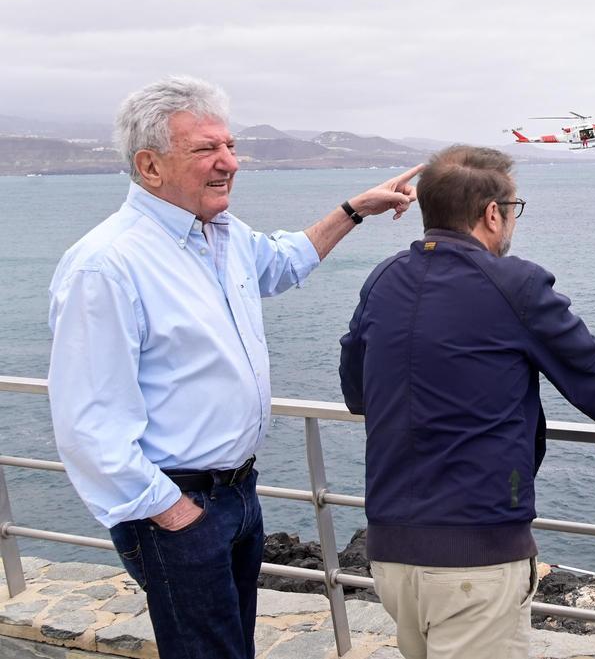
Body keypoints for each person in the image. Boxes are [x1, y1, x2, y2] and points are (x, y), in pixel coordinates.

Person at [46, 76, 421, 659]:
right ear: (150, 166)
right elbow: (88, 425)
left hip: (239, 494)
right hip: (176, 506)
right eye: (206, 150)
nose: (229, 163)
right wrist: (175, 515)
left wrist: (354, 210)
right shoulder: (107, 266)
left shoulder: (220, 234)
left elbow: (283, 262)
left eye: (229, 146)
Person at [339, 144, 595, 659]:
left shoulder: (383, 279)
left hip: (391, 550)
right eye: (514, 210)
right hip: (476, 557)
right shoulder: (518, 286)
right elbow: (593, 376)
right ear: (493, 213)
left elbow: (357, 393)